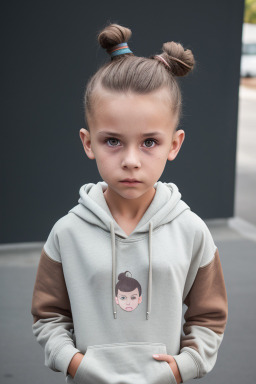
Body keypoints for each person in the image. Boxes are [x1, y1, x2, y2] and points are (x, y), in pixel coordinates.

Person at [31, 23, 228, 384]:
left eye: (150, 142)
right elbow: (49, 316)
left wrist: (183, 367)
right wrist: (76, 364)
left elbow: (209, 317)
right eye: (113, 141)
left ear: (174, 144)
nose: (131, 160)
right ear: (88, 143)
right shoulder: (67, 233)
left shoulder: (192, 231)